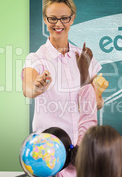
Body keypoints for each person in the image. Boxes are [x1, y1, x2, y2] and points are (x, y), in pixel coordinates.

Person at [21, 0, 102, 146]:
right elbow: (28, 90)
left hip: (82, 144)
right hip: (49, 148)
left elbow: (97, 104)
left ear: (72, 19)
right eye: (52, 18)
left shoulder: (84, 57)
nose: (58, 24)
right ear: (45, 19)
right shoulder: (35, 58)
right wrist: (38, 88)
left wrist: (95, 98)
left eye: (64, 18)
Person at [42, 43, 98, 177]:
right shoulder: (83, 164)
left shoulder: (46, 170)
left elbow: (88, 116)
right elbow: (88, 113)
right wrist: (84, 71)